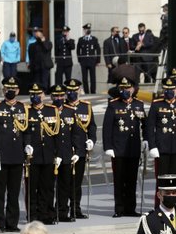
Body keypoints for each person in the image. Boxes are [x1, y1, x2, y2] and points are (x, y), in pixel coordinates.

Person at [146, 77, 176, 210]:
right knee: (162, 179)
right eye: (166, 89)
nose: (169, 91)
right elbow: (150, 127)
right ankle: (160, 205)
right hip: (162, 148)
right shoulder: (156, 104)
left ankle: (174, 205)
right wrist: (152, 146)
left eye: (172, 89)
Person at [102, 77, 146, 217]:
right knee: (119, 180)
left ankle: (130, 208)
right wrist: (108, 147)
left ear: (132, 89)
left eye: (127, 88)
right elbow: (107, 128)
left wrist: (146, 140)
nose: (125, 91)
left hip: (133, 148)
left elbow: (145, 124)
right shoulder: (113, 105)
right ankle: (119, 209)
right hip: (118, 149)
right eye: (122, 88)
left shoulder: (139, 104)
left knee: (132, 179)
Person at [0, 76, 28, 231]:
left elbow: (26, 132)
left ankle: (12, 223)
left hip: (17, 155)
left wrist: (27, 147)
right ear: (3, 90)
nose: (10, 91)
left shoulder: (23, 108)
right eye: (7, 89)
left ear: (18, 91)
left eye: (13, 89)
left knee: (14, 192)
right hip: (1, 156)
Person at [23, 84, 61, 224]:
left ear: (43, 95)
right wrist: (26, 145)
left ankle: (47, 214)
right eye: (32, 94)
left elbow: (57, 134)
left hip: (48, 154)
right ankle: (32, 215)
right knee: (32, 188)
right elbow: (25, 131)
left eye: (38, 94)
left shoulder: (52, 110)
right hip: (33, 156)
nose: (35, 97)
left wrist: (58, 154)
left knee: (47, 187)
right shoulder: (27, 111)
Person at [58, 78, 95, 220]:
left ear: (79, 90)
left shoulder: (86, 106)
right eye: (69, 91)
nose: (72, 93)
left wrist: (91, 140)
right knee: (64, 182)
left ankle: (75, 209)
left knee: (77, 182)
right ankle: (62, 209)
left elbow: (91, 126)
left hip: (80, 150)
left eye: (74, 90)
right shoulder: (61, 107)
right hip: (65, 150)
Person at [76, 23, 101, 94]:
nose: (88, 30)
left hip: (92, 61)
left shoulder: (94, 39)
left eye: (89, 29)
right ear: (84, 30)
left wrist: (98, 60)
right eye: (87, 29)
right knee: (84, 78)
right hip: (84, 61)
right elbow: (78, 50)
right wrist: (79, 60)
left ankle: (93, 91)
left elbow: (98, 50)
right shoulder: (81, 39)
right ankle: (86, 91)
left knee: (93, 77)